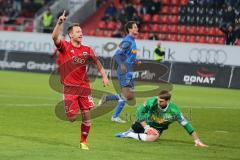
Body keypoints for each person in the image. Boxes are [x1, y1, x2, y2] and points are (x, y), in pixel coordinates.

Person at [52, 11, 109, 150]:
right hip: (70, 87)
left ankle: (83, 142)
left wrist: (104, 75)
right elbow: (54, 37)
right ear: (71, 34)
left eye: (81, 31)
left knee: (88, 116)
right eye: (77, 32)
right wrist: (59, 23)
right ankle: (74, 108)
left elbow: (97, 63)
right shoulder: (65, 47)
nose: (81, 34)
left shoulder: (87, 49)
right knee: (72, 118)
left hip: (84, 86)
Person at [115, 90, 208, 147]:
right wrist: (147, 127)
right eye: (158, 99)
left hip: (158, 128)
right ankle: (131, 130)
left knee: (152, 138)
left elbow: (186, 125)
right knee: (137, 122)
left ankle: (129, 134)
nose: (158, 102)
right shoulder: (152, 102)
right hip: (146, 123)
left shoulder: (174, 111)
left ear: (167, 101)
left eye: (161, 101)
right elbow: (139, 112)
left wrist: (197, 141)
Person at [98, 21, 139, 123]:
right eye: (135, 27)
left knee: (130, 96)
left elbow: (129, 55)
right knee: (126, 95)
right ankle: (115, 117)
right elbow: (117, 55)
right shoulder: (127, 41)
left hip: (129, 69)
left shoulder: (133, 41)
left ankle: (107, 98)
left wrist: (135, 61)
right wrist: (121, 64)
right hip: (124, 70)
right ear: (130, 29)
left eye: (137, 27)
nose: (137, 29)